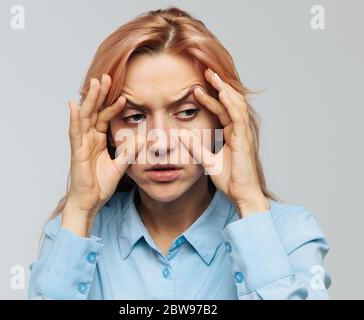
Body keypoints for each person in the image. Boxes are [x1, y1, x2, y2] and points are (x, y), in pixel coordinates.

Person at [28, 6, 331, 300]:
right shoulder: (71, 234)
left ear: (222, 119)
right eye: (135, 117)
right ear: (106, 131)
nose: (161, 144)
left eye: (187, 112)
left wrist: (248, 202)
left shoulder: (289, 233)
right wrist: (80, 211)